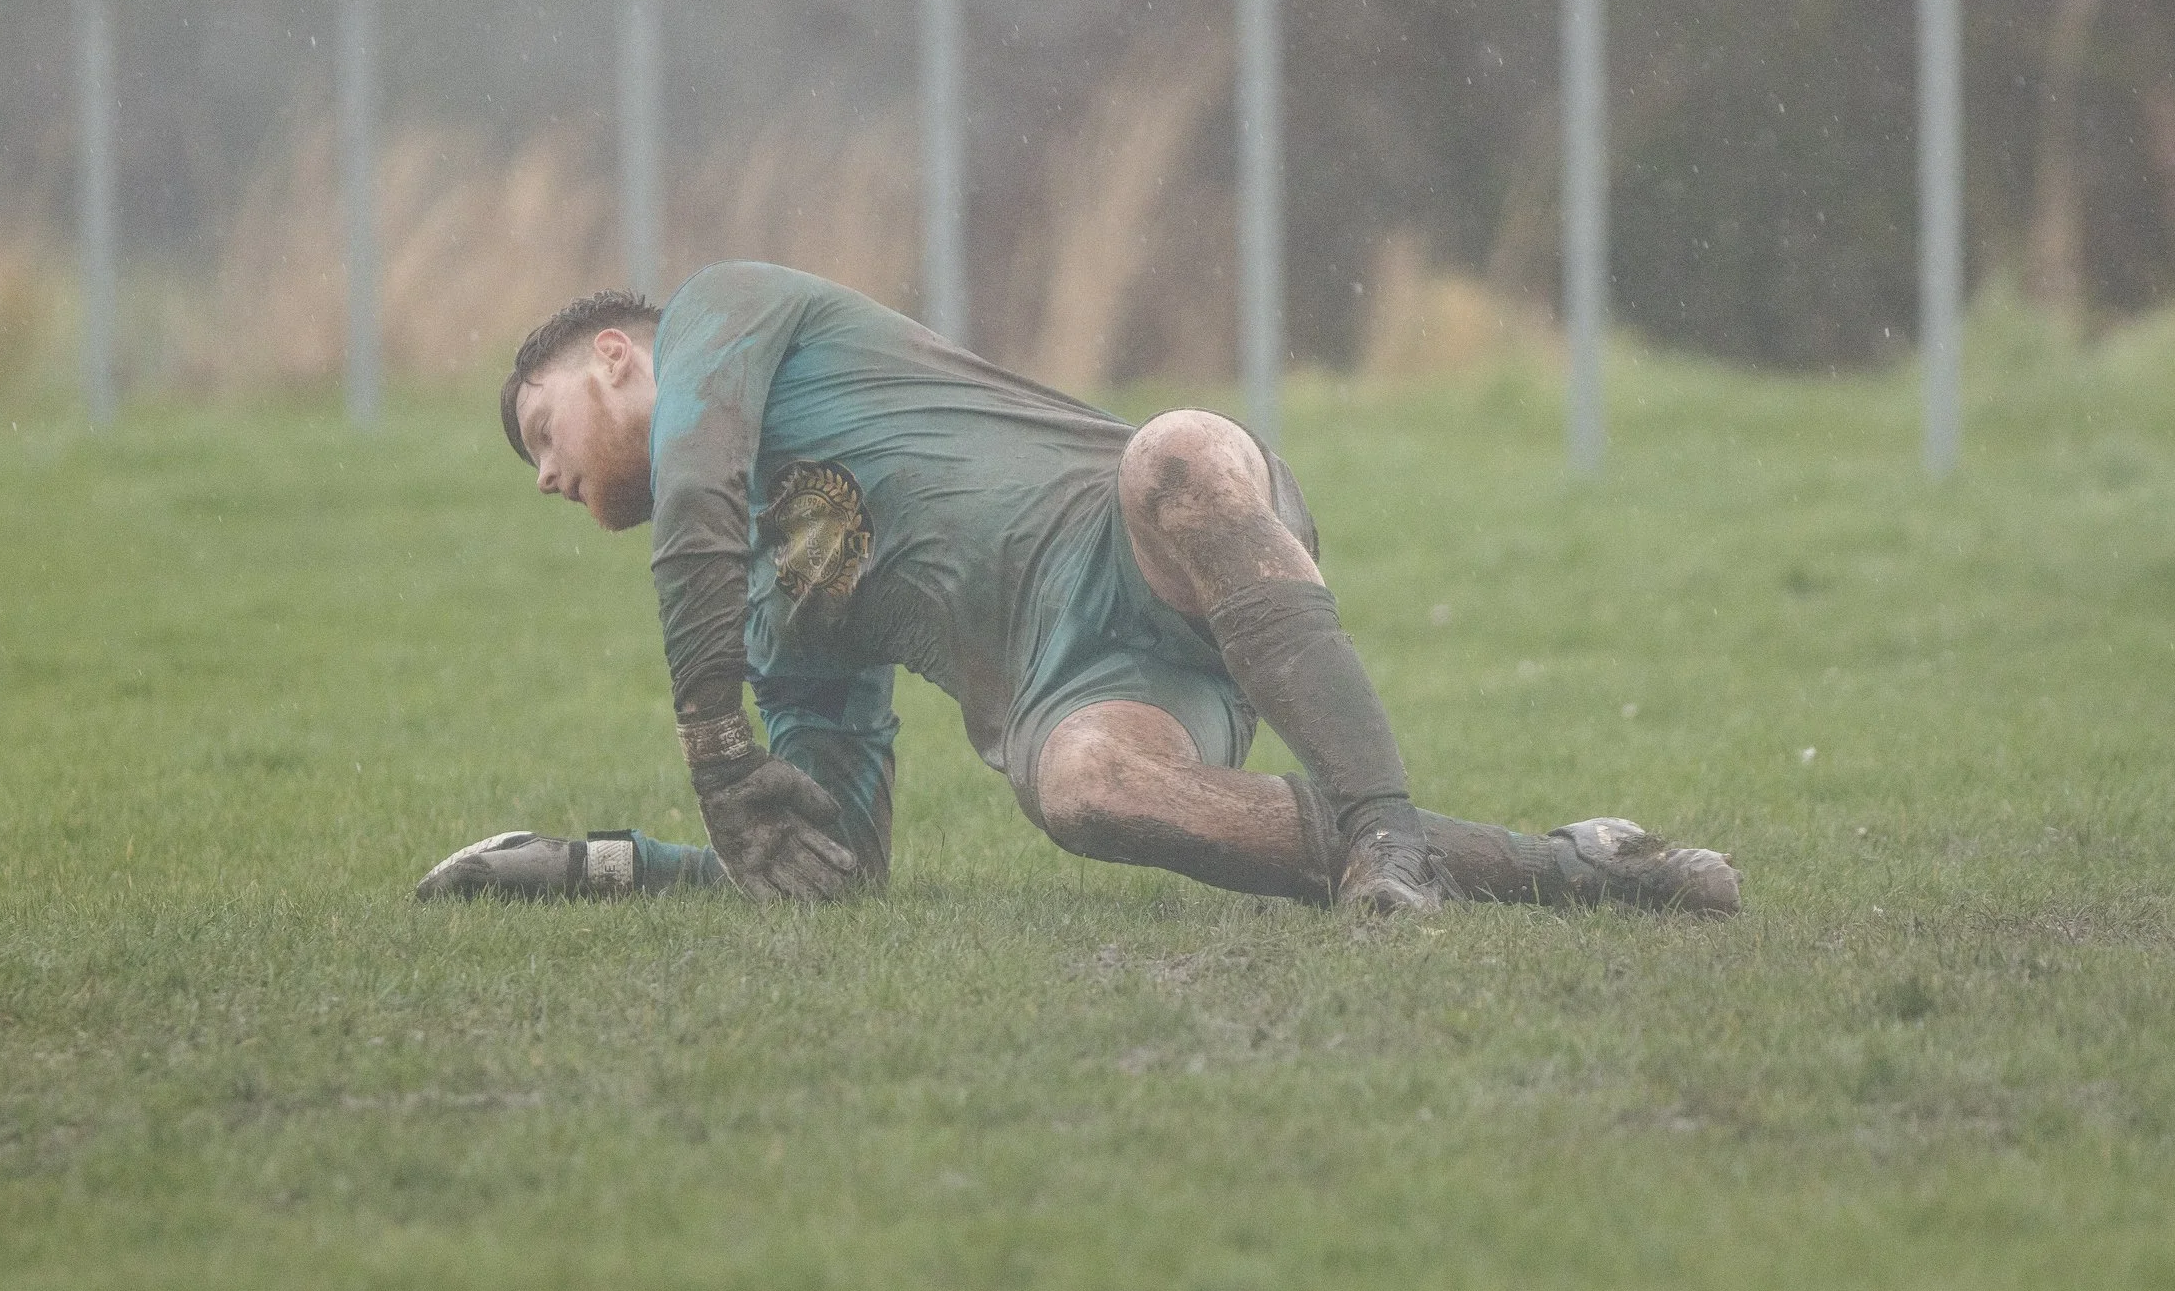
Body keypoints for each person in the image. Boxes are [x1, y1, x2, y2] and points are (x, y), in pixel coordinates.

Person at [418, 262, 1737, 916]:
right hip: (1096, 696)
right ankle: (1578, 872)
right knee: (1080, 788)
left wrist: (708, 738)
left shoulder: (723, 310)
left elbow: (702, 491)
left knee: (1180, 451)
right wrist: (614, 864)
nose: (544, 479)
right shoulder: (768, 610)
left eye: (541, 435)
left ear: (612, 361)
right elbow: (826, 862)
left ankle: (1385, 830)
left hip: (1152, 542)